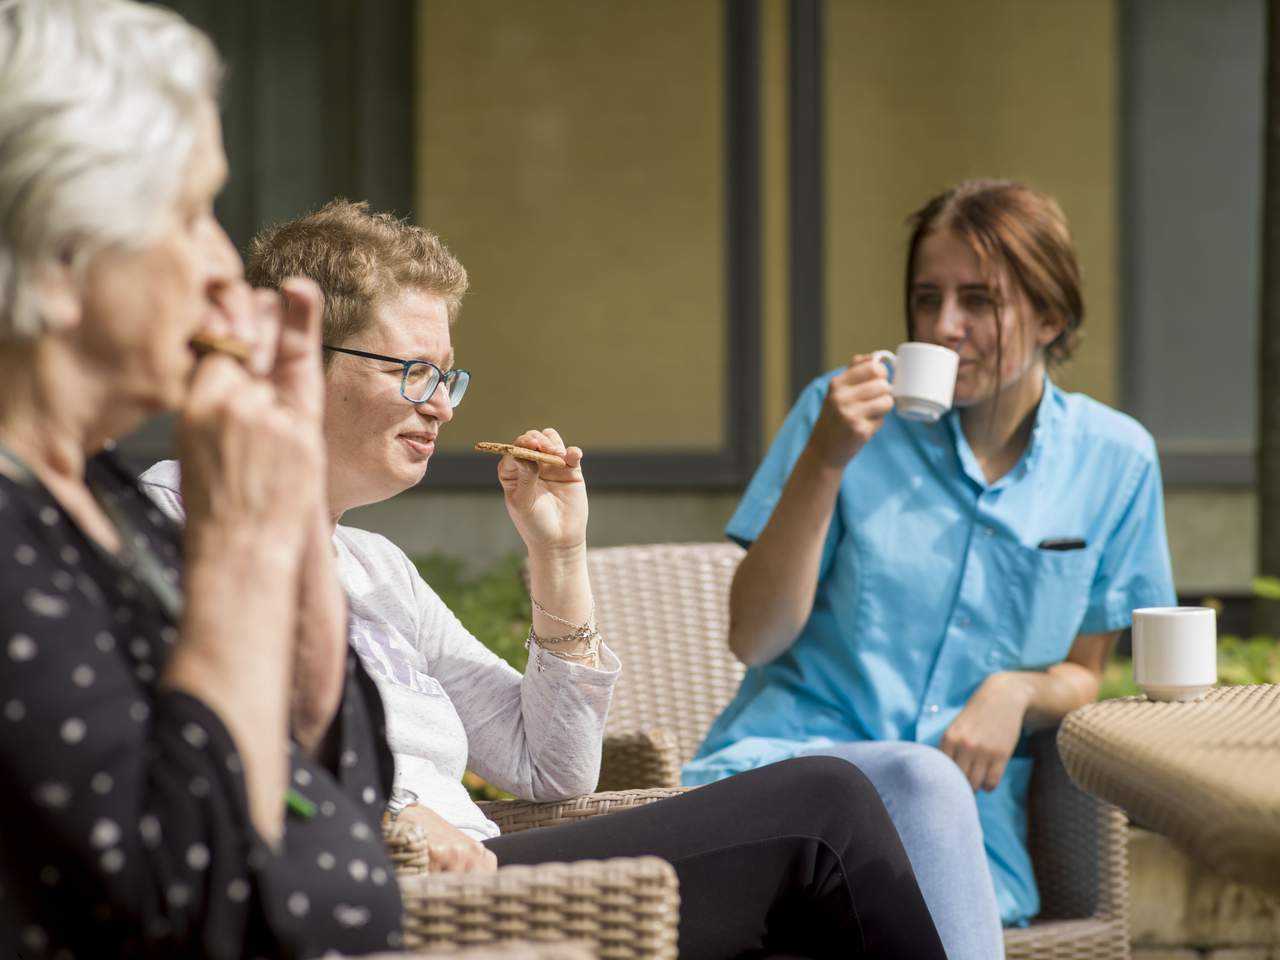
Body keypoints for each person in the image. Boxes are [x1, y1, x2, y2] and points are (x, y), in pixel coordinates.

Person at [142, 199, 948, 960]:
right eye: (414, 371)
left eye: (447, 377)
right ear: (301, 356)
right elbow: (192, 736)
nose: (442, 407)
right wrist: (388, 812)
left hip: (498, 878)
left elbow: (551, 770)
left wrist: (558, 557)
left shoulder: (376, 567)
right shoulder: (177, 521)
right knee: (826, 812)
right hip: (408, 900)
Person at [681, 178, 1179, 958]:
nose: (945, 327)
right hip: (791, 775)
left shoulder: (1116, 462)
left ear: (1051, 317)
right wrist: (825, 459)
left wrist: (1018, 689)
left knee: (916, 836)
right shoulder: (836, 415)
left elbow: (1087, 670)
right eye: (927, 299)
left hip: (963, 829)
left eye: (979, 301)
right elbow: (754, 637)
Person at [0, 1, 401, 956]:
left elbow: (326, 766)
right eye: (189, 216)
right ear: (58, 256)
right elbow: (170, 909)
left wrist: (292, 494)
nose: (230, 267)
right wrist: (237, 545)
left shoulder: (100, 490)